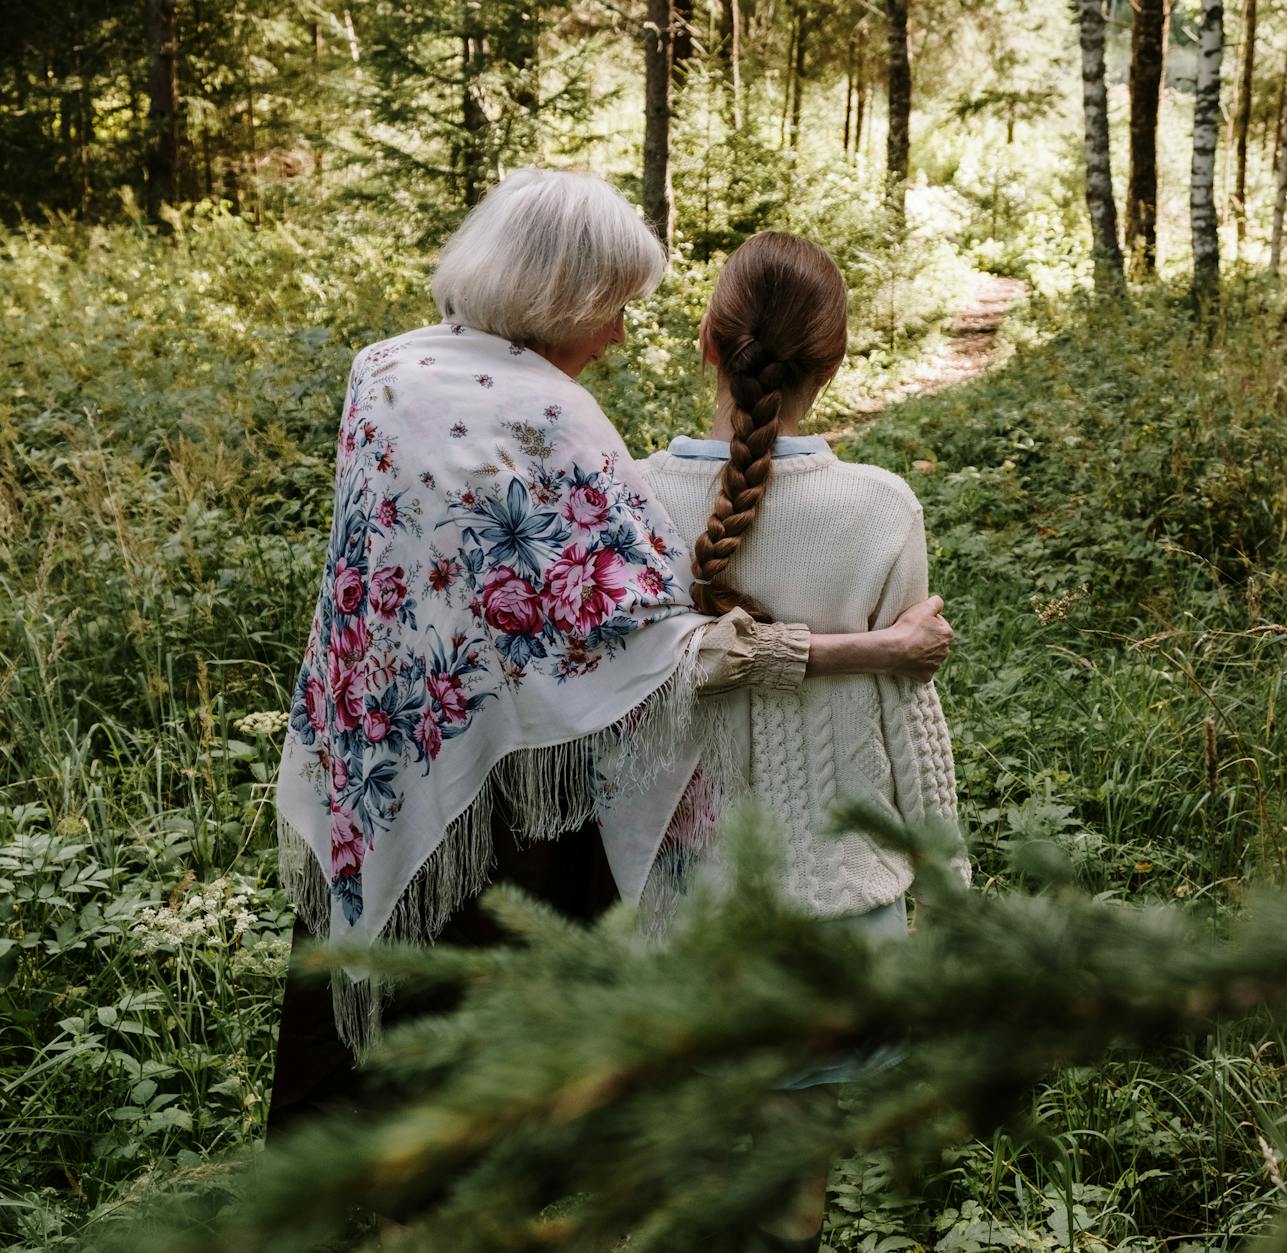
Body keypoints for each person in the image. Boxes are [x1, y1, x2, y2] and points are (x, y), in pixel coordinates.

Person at [262, 172, 955, 1206]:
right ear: (556, 294)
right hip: (525, 799)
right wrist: (872, 651)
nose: (623, 335)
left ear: (714, 344)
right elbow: (665, 652)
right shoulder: (559, 425)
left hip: (384, 762)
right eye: (614, 305)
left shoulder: (386, 373)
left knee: (395, 1066)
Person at [635, 231, 965, 1253]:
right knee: (790, 1178)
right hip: (832, 897)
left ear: (706, 341)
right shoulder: (878, 508)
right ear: (837, 359)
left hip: (665, 899)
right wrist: (945, 884)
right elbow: (909, 707)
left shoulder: (629, 495)